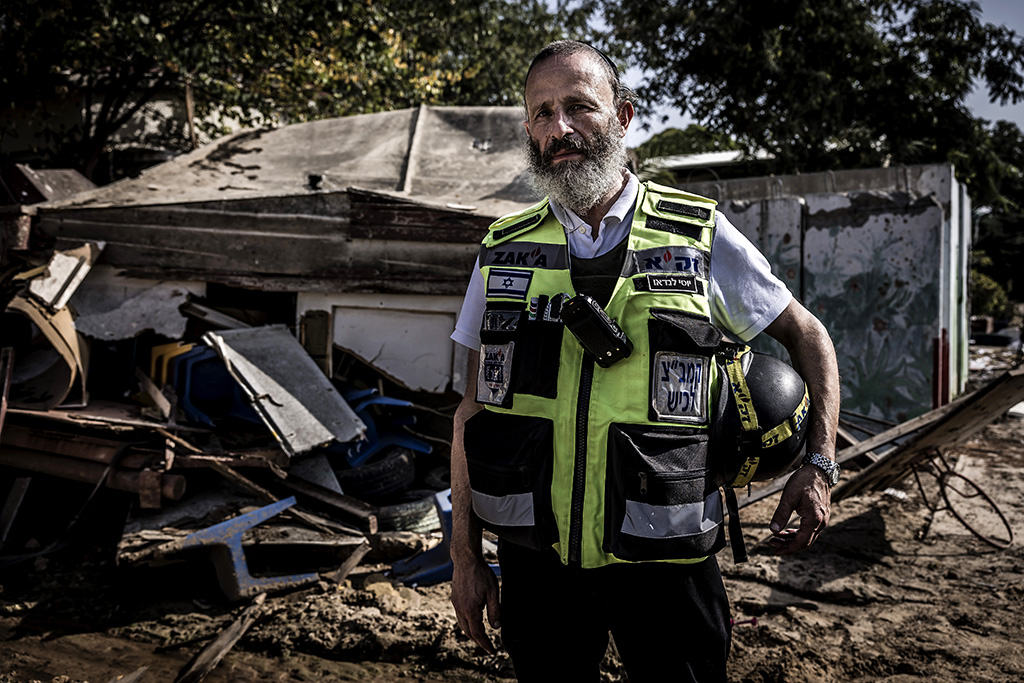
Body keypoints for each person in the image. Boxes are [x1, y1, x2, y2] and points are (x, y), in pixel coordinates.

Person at [448, 40, 840, 682]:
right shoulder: (502, 251)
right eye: (542, 112)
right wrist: (464, 555)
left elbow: (809, 337)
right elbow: (470, 411)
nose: (560, 128)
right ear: (527, 128)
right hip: (537, 565)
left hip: (669, 567)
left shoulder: (697, 235)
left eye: (579, 107)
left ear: (624, 117)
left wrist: (818, 464)